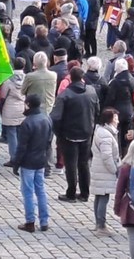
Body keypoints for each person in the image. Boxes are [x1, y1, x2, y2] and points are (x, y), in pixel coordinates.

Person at [52, 67, 99, 202]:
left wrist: (59, 133)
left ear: (70, 78)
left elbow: (56, 117)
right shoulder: (91, 91)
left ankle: (71, 193)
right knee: (84, 163)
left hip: (69, 134)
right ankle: (85, 193)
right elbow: (97, 111)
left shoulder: (65, 95)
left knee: (71, 164)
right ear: (82, 78)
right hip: (87, 132)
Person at [13, 95, 53, 233]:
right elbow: (49, 141)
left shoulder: (27, 123)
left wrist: (16, 163)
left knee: (28, 192)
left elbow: (22, 147)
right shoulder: (46, 118)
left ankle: (30, 221)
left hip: (28, 162)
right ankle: (44, 221)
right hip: (41, 160)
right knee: (41, 191)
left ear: (28, 104)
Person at [90, 108, 120, 236]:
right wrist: (115, 170)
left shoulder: (103, 131)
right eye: (116, 118)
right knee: (103, 196)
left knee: (99, 195)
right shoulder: (106, 135)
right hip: (104, 170)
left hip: (100, 169)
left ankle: (99, 223)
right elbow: (107, 156)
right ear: (111, 119)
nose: (118, 120)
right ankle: (101, 225)